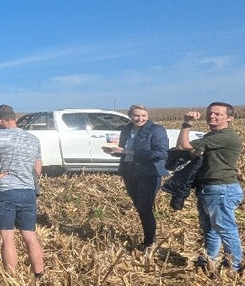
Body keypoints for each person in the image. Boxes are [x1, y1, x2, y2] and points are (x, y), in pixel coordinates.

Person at [0, 105, 45, 277]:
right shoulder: (32, 139)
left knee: (7, 238)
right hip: (27, 192)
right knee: (30, 236)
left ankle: (12, 280)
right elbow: (38, 168)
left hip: (5, 191)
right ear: (14, 118)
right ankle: (39, 275)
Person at [175, 103, 242, 273]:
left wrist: (187, 123)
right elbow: (182, 149)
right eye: (210, 113)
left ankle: (233, 268)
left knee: (226, 229)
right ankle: (208, 261)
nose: (212, 116)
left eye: (217, 114)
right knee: (211, 230)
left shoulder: (226, 136)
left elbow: (184, 145)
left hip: (221, 189)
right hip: (209, 189)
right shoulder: (212, 135)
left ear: (229, 118)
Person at [102, 105, 168, 250]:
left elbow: (161, 153)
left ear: (148, 115)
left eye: (143, 115)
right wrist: (115, 152)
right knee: (139, 206)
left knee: (145, 207)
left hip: (148, 173)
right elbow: (124, 151)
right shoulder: (126, 129)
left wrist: (128, 151)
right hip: (129, 171)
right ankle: (149, 238)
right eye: (136, 116)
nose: (140, 118)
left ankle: (149, 241)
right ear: (130, 116)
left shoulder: (156, 130)